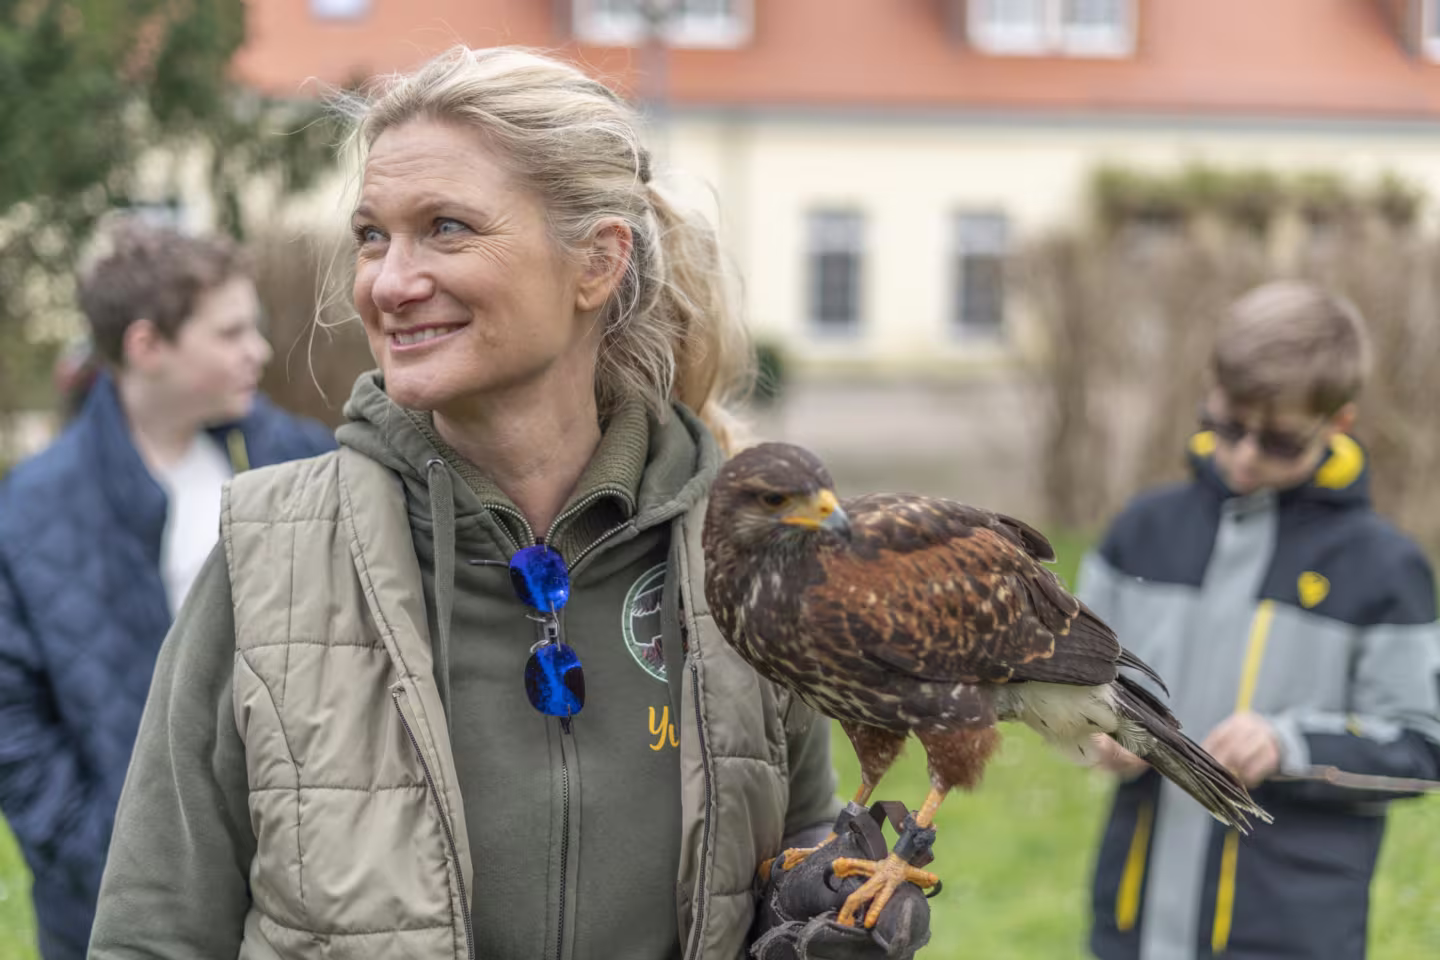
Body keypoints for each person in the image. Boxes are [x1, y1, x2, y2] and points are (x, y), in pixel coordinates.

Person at [89, 47, 932, 960]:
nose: (390, 281)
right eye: (373, 235)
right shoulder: (270, 557)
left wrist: (828, 913)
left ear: (598, 262)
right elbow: (152, 931)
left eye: (446, 228)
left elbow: (795, 852)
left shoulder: (745, 563)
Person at [0, 221, 336, 960]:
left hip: (292, 888)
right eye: (229, 333)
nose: (258, 350)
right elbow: (12, 718)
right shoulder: (33, 508)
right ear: (148, 347)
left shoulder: (303, 462)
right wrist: (103, 853)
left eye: (255, 326)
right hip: (105, 908)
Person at [1079, 281, 1440, 960]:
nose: (1244, 454)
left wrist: (1288, 744)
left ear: (1338, 423)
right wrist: (1098, 737)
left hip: (1288, 933)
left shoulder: (1384, 568)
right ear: (1209, 390)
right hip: (1129, 923)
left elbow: (1423, 749)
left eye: (1277, 441)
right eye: (1226, 425)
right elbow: (1074, 692)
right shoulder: (1139, 533)